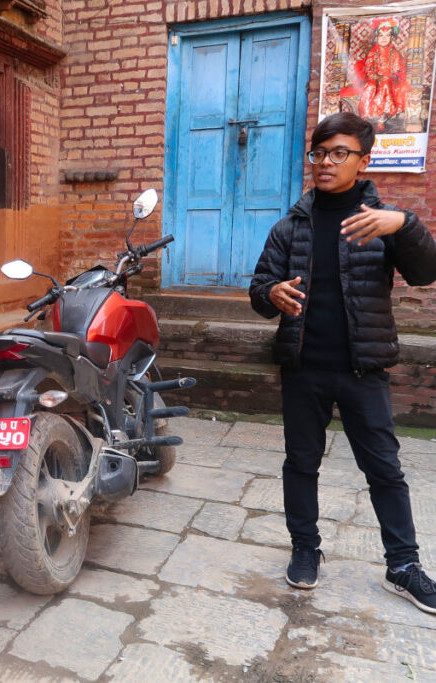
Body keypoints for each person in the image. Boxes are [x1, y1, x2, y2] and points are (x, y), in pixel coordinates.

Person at [249, 112, 436, 612]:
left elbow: (424, 274)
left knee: (385, 470)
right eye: (319, 153)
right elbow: (259, 293)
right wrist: (273, 291)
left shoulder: (381, 221)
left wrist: (407, 223)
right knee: (301, 464)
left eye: (339, 154)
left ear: (363, 160)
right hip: (303, 368)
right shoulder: (289, 227)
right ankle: (305, 550)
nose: (326, 163)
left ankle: (403, 566)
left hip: (363, 370)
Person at [357, 18, 410, 131]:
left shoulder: (394, 53)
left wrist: (390, 76)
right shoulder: (373, 52)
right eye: (381, 35)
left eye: (387, 35)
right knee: (369, 87)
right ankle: (366, 117)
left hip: (389, 79)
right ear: (376, 38)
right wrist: (375, 77)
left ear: (391, 38)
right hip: (374, 78)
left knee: (385, 84)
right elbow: (368, 67)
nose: (384, 38)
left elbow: (398, 70)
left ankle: (382, 118)